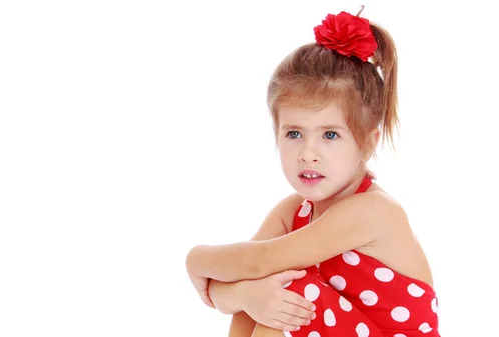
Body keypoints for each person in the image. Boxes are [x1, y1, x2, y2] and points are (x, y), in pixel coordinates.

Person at [185, 7, 440, 337]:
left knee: (292, 291)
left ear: (367, 143)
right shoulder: (292, 211)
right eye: (294, 134)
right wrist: (246, 294)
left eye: (330, 135)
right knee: (270, 293)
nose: (308, 153)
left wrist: (195, 260)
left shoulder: (374, 212)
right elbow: (236, 277)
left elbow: (255, 262)